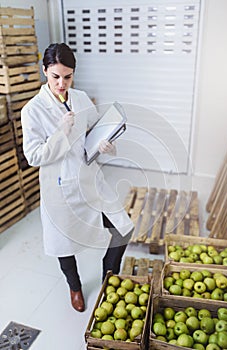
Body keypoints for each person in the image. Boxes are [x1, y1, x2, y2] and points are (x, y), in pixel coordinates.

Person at [21, 43, 134, 312]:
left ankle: (109, 277)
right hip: (59, 188)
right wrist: (61, 132)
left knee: (123, 228)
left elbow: (94, 131)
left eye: (68, 76)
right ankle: (75, 287)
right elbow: (34, 157)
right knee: (64, 244)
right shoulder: (32, 111)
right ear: (44, 71)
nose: (62, 84)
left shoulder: (81, 98)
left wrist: (106, 144)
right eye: (55, 76)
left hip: (90, 179)